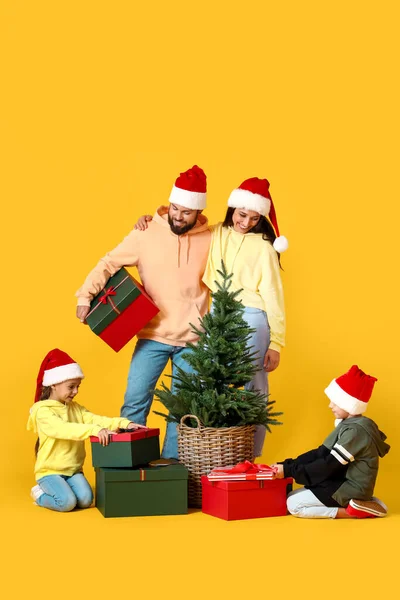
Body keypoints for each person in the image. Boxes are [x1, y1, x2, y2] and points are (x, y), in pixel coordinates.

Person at [135, 176, 287, 458]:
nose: (246, 222)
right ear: (232, 210)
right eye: (242, 215)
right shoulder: (216, 233)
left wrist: (276, 342)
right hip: (217, 313)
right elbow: (183, 229)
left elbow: (274, 296)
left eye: (255, 218)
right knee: (206, 380)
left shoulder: (264, 247)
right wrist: (151, 221)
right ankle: (210, 452)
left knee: (251, 386)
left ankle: (249, 457)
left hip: (253, 316)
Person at [75, 165, 211, 459]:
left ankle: (174, 473)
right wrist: (85, 296)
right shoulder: (146, 231)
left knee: (182, 413)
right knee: (135, 403)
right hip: (152, 336)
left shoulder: (212, 238)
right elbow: (109, 262)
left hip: (194, 341)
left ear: (198, 212)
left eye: (187, 212)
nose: (178, 216)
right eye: (175, 208)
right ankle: (129, 469)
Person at [27, 348, 143, 512]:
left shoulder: (75, 408)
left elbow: (96, 419)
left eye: (77, 386)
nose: (76, 391)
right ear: (53, 384)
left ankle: (65, 487)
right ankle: (39, 494)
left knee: (86, 500)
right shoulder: (42, 411)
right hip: (50, 471)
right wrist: (95, 431)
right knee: (66, 503)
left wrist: (124, 423)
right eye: (71, 387)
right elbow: (62, 429)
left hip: (73, 470)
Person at [271, 365, 390, 519]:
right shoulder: (347, 425)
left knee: (294, 505)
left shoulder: (355, 432)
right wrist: (288, 465)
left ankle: (352, 512)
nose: (330, 406)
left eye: (335, 402)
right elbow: (321, 453)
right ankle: (366, 503)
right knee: (293, 495)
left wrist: (290, 472)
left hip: (351, 487)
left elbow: (329, 465)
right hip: (342, 481)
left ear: (349, 404)